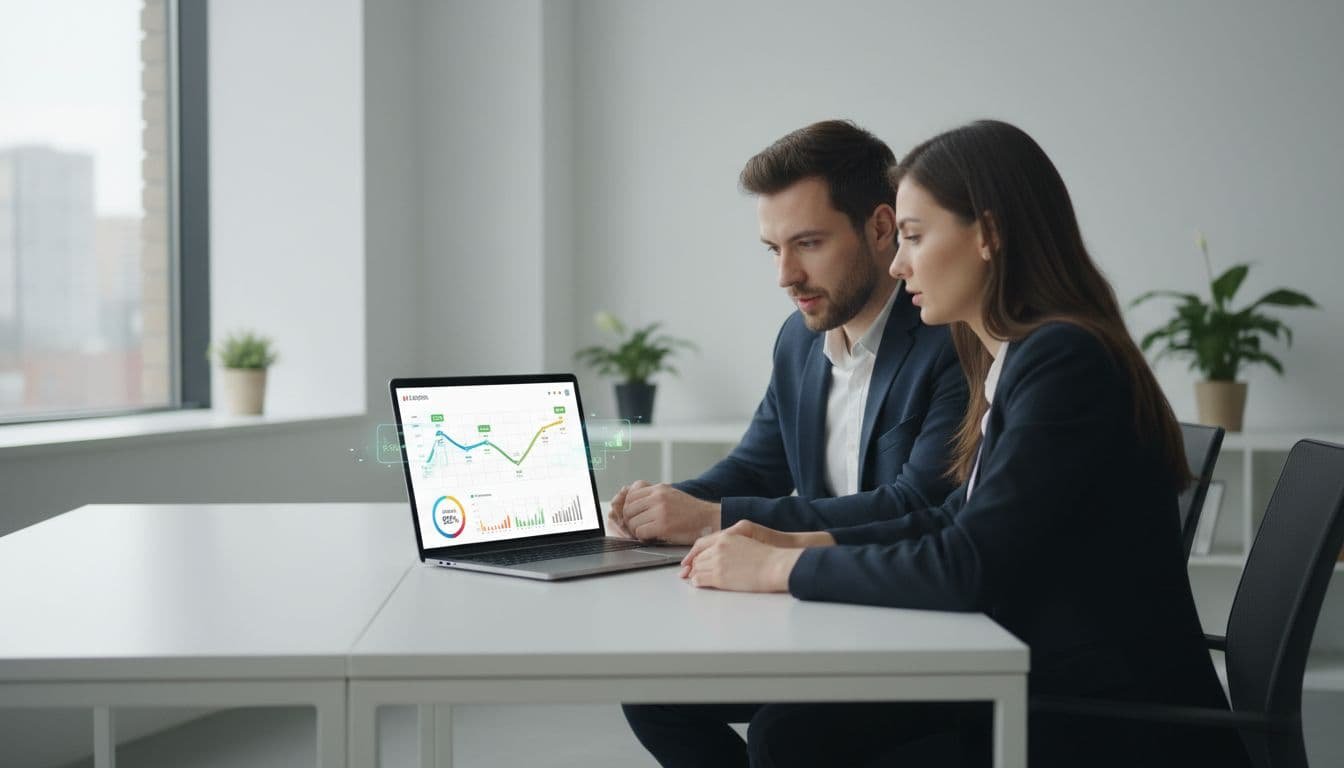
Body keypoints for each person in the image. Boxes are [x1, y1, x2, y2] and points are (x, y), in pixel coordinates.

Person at [641, 120, 1253, 768]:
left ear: (987, 235)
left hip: (1097, 715)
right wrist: (792, 541)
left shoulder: (1062, 359)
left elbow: (968, 563)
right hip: (1034, 666)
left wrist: (774, 568)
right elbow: (952, 520)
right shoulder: (1021, 355)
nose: (900, 262)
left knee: (792, 735)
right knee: (763, 723)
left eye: (913, 236)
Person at [608, 120, 968, 546]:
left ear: (880, 228)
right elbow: (755, 470)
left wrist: (713, 518)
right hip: (815, 595)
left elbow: (919, 505)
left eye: (808, 244)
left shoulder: (951, 339)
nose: (785, 276)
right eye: (774, 249)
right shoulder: (798, 341)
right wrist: (658, 507)